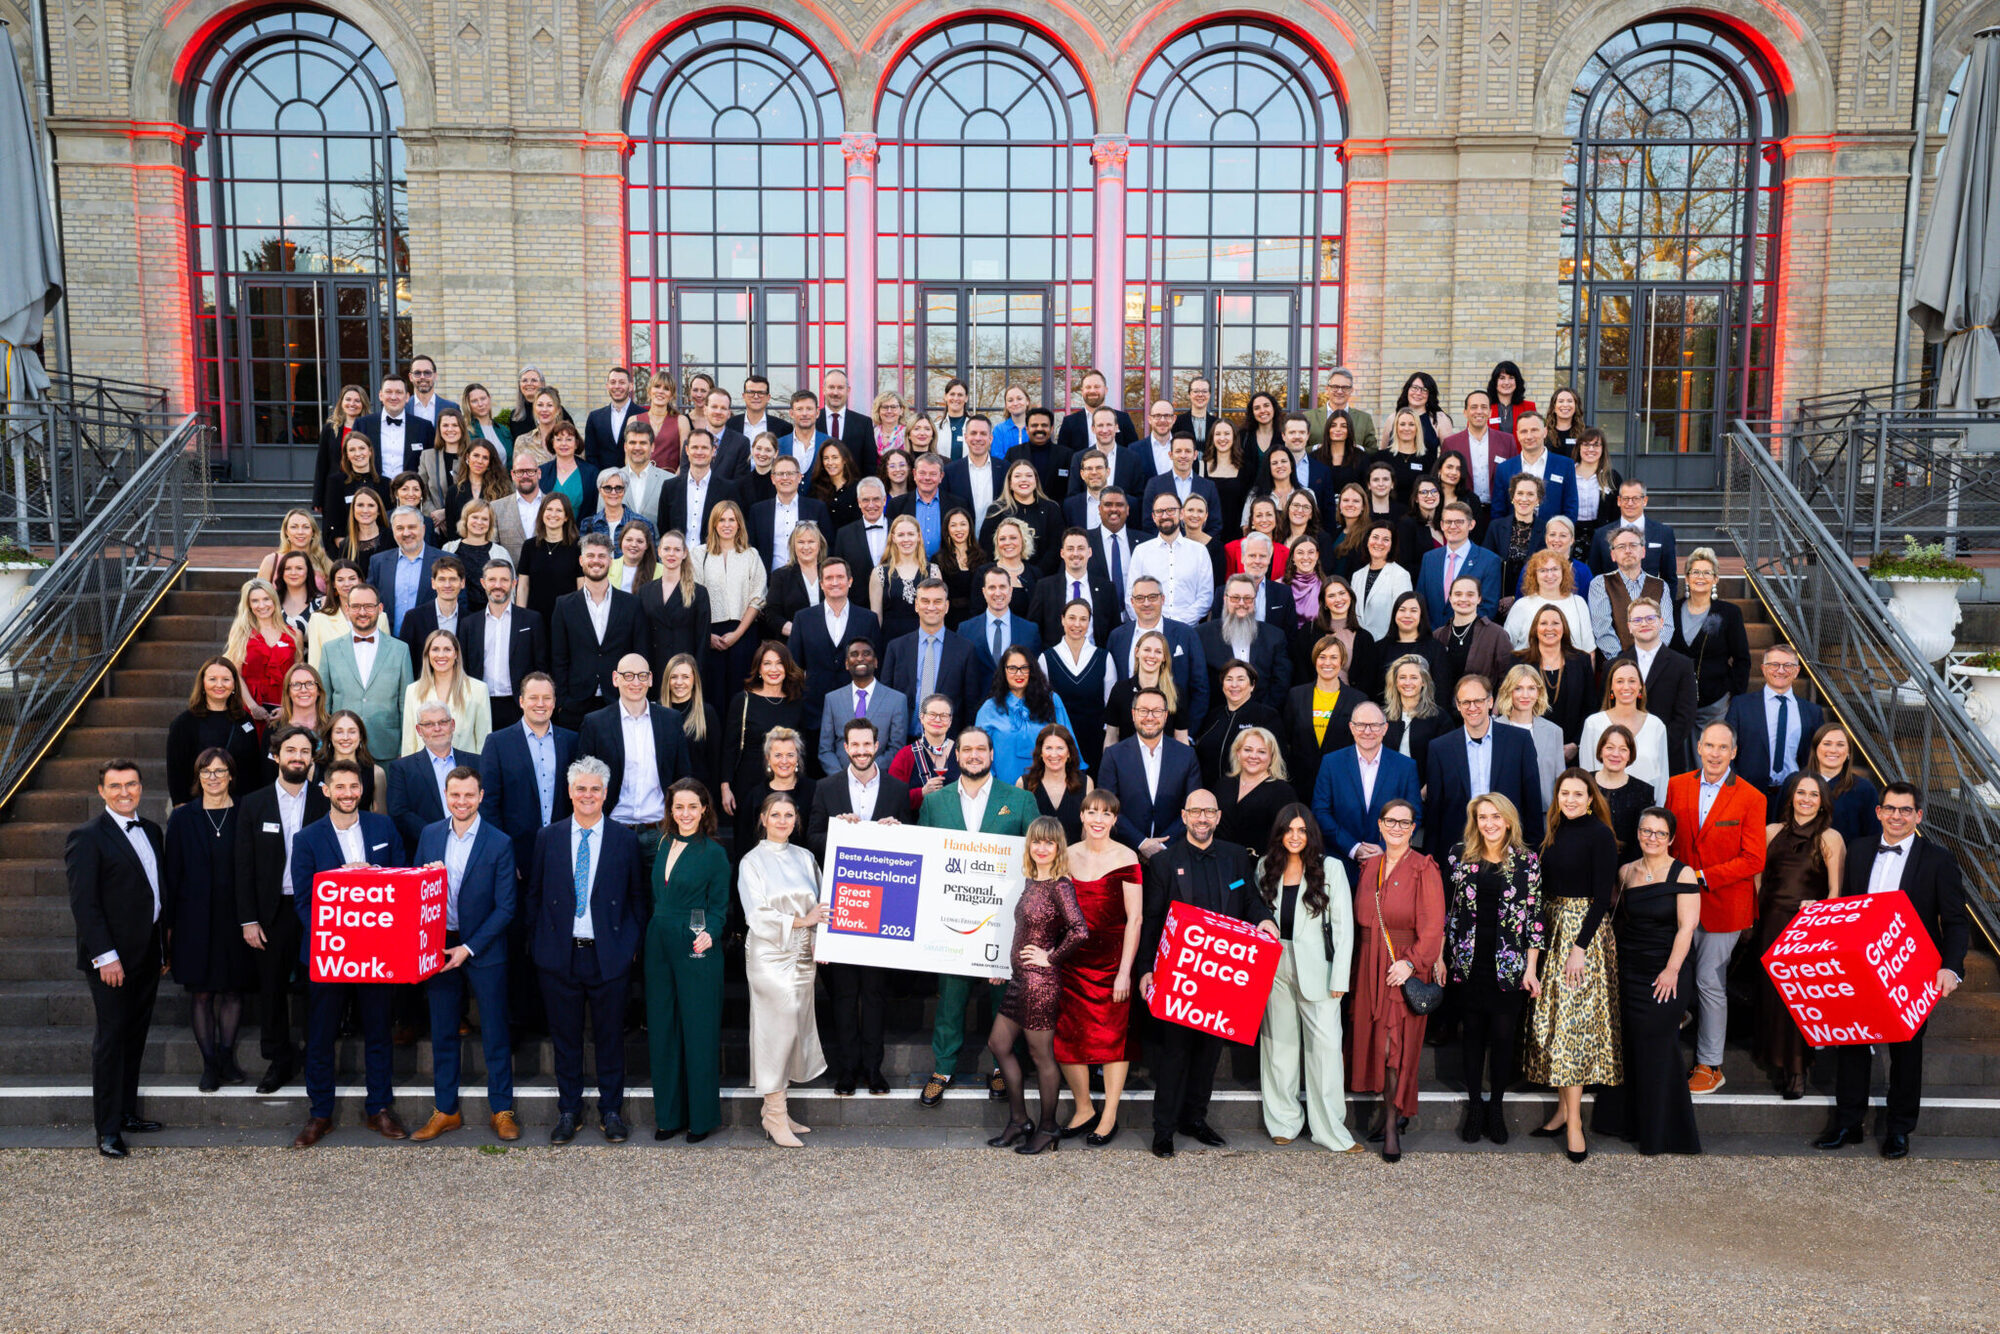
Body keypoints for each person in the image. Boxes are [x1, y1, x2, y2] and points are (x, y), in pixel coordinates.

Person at [1815, 782, 1969, 1158]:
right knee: (1851, 1044)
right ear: (1878, 812)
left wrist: (1951, 968)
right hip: (1860, 968)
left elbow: (1955, 921)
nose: (1896, 816)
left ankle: (1900, 1130)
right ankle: (1848, 1123)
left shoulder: (1938, 859)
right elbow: (1846, 908)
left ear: (1918, 816)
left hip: (1910, 970)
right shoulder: (1861, 849)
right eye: (1890, 808)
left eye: (1905, 810)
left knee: (1906, 1051)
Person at [1138, 789, 1273, 1157]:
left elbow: (1249, 901)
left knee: (1209, 1054)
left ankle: (1194, 1119)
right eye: (1195, 811)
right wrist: (1146, 969)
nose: (1202, 818)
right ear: (1183, 816)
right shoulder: (1165, 863)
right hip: (1177, 976)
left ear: (1217, 816)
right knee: (1174, 1054)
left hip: (1221, 977)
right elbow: (1151, 920)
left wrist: (1264, 920)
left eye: (1208, 812)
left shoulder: (1234, 857)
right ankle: (1163, 1129)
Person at [522, 757, 646, 1144]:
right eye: (581, 788)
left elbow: (637, 899)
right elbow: (535, 895)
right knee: (566, 1038)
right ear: (570, 792)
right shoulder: (549, 837)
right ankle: (569, 1111)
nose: (588, 795)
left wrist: (629, 947)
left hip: (607, 954)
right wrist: (539, 944)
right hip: (560, 955)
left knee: (610, 1037)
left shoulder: (625, 840)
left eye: (595, 789)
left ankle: (611, 1110)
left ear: (606, 793)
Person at [911, 728, 1034, 1105]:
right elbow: (923, 856)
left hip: (1005, 919)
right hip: (952, 921)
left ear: (992, 755)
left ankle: (1001, 1066)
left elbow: (1037, 855)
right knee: (950, 996)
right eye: (967, 750)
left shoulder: (1021, 800)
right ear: (957, 756)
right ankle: (943, 1067)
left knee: (1004, 996)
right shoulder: (936, 803)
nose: (975, 755)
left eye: (981, 749)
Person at [289, 761, 407, 1147]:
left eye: (354, 786)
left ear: (363, 789)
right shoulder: (307, 839)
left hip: (377, 954)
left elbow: (401, 883)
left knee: (378, 1032)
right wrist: (344, 890)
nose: (347, 793)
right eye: (339, 786)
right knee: (320, 1037)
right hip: (329, 954)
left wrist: (371, 879)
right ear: (325, 791)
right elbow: (304, 902)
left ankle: (379, 1109)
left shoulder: (383, 828)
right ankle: (320, 1113)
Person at [405, 766, 519, 1142]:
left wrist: (468, 949)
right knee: (442, 1032)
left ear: (481, 796)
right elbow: (417, 888)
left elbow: (506, 907)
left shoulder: (499, 841)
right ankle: (446, 1110)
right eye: (455, 795)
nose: (462, 802)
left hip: (482, 949)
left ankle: (502, 1110)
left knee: (496, 1033)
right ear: (446, 794)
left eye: (469, 795)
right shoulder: (430, 834)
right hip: (438, 946)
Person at [68, 760, 170, 1156]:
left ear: (141, 788)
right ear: (101, 791)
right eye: (115, 786)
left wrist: (162, 948)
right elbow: (85, 905)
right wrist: (105, 957)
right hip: (111, 960)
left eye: (131, 784)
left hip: (147, 954)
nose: (124, 792)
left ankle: (127, 1112)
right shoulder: (87, 837)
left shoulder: (152, 831)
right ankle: (107, 1130)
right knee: (111, 1041)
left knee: (135, 1037)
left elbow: (156, 895)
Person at [1521, 769, 1623, 1162]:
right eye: (1565, 793)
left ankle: (1576, 1124)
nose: (1571, 800)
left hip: (1584, 936)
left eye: (1578, 794)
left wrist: (1579, 947)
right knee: (1555, 1024)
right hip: (1550, 929)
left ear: (1591, 797)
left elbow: (1602, 899)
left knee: (1574, 1029)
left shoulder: (1599, 834)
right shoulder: (1551, 831)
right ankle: (1563, 1110)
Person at [1666, 720, 1768, 1095]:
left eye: (1722, 747)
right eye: (1709, 745)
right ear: (1699, 747)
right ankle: (1665, 1051)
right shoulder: (1676, 786)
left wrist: (1703, 876)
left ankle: (1710, 1064)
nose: (1714, 753)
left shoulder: (1752, 797)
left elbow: (1754, 858)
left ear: (1734, 752)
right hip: (1677, 903)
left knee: (1710, 981)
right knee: (1672, 974)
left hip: (1723, 905)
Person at [804, 718, 905, 1096]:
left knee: (875, 993)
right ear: (844, 747)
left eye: (868, 744)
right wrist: (837, 829)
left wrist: (898, 832)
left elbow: (913, 843)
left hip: (883, 905)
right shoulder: (826, 787)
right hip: (841, 904)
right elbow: (810, 836)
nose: (861, 751)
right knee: (845, 993)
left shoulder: (896, 789)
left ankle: (873, 1070)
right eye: (855, 745)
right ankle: (847, 1070)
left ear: (878, 744)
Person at [985, 819, 1091, 1156]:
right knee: (998, 1043)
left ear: (1059, 847)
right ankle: (1019, 1121)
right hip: (1020, 979)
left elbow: (1079, 930)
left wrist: (1052, 957)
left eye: (1049, 843)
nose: (1042, 848)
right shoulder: (1032, 881)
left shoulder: (1060, 886)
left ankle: (1047, 1127)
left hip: (1040, 983)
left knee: (1040, 1055)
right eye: (1036, 843)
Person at [1442, 794, 1542, 1145]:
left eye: (1496, 817)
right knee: (1472, 1037)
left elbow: (1534, 920)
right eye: (1483, 817)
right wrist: (1441, 957)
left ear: (1509, 821)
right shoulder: (1459, 856)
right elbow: (1448, 912)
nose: (1489, 824)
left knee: (1502, 1038)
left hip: (1509, 965)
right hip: (1469, 963)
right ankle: (1475, 1106)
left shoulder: (1527, 862)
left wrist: (1531, 969)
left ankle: (1496, 1107)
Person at [1347, 798, 1444, 1163]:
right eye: (1392, 821)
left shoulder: (1424, 867)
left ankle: (1391, 1125)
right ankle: (1392, 1113)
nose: (1398, 828)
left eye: (1405, 823)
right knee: (1377, 1043)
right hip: (1369, 964)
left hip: (1402, 966)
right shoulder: (1369, 866)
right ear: (1381, 825)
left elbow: (1434, 927)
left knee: (1393, 1046)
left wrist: (1413, 963)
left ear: (1413, 827)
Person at [1256, 804, 1357, 1151]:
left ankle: (1329, 1129)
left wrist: (1340, 977)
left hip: (1320, 968)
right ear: (1279, 833)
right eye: (1289, 830)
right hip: (1274, 964)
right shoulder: (1264, 867)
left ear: (1310, 834)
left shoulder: (1331, 868)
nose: (1295, 837)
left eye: (1302, 830)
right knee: (1278, 1047)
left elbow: (1343, 927)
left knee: (1326, 1051)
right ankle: (1283, 1120)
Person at [233, 726, 326, 1093]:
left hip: (316, 910)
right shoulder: (253, 804)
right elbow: (242, 866)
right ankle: (278, 1059)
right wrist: (248, 919)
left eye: (305, 751)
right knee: (271, 989)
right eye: (290, 750)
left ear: (312, 758)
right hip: (269, 913)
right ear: (275, 755)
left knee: (312, 987)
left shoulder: (324, 802)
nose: (298, 757)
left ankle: (313, 1055)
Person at [640, 778, 730, 1144]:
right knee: (663, 1029)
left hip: (696, 943)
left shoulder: (713, 852)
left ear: (705, 809)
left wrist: (711, 931)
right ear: (670, 810)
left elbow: (721, 907)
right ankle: (669, 1116)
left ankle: (701, 1119)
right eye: (679, 807)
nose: (686, 813)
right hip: (658, 941)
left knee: (698, 1030)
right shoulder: (660, 843)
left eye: (693, 806)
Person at [162, 750, 254, 1092]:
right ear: (198, 777)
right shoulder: (183, 818)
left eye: (220, 771)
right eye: (206, 771)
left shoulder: (247, 810)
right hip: (193, 919)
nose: (213, 777)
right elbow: (171, 874)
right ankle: (209, 1063)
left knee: (232, 989)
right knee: (201, 993)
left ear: (231, 774)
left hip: (236, 916)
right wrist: (168, 927)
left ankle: (227, 1057)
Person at [1754, 774, 1846, 1098]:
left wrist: (1820, 914)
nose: (1806, 799)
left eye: (1814, 795)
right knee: (1773, 996)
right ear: (1791, 796)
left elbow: (1836, 891)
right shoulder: (1770, 832)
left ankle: (1798, 1068)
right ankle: (1780, 1062)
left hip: (1807, 928)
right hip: (1771, 923)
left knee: (1800, 1000)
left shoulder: (1830, 838)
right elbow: (1758, 879)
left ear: (1823, 802)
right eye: (1801, 793)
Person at [576, 653, 692, 870]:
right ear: (615, 678)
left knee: (657, 901)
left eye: (641, 676)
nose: (635, 682)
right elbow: (583, 781)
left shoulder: (670, 720)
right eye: (628, 676)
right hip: (613, 829)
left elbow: (683, 777)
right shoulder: (595, 723)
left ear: (650, 679)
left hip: (660, 831)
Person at [1423, 673, 1546, 856]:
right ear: (1458, 705)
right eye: (1465, 702)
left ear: (1490, 702)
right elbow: (1435, 811)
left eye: (1478, 701)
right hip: (1458, 850)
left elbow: (1532, 801)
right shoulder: (1440, 748)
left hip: (1509, 847)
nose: (1472, 707)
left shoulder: (1519, 741)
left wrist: (1533, 853)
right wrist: (1431, 859)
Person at [1313, 701, 1424, 885]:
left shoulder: (1405, 767)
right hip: (1341, 864)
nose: (1367, 731)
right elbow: (1320, 811)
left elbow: (1414, 815)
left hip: (1390, 864)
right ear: (1351, 727)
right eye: (1361, 725)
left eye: (1374, 725)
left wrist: (1385, 847)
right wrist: (1353, 847)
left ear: (1385, 728)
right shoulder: (1332, 763)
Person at [1098, 687, 1203, 859]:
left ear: (1165, 716)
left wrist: (1162, 846)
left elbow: (1193, 807)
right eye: (1143, 711)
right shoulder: (1114, 755)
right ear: (1133, 714)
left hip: (1173, 855)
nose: (1150, 717)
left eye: (1156, 711)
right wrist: (1141, 842)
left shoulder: (1186, 755)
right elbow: (1106, 806)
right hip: (1125, 854)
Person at [691, 501, 767, 711]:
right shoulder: (699, 554)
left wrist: (738, 633)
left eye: (731, 520)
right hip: (709, 633)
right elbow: (694, 596)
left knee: (740, 694)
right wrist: (706, 636)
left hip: (743, 632)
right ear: (713, 524)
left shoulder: (751, 555)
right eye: (721, 520)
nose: (727, 524)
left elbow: (757, 598)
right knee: (712, 694)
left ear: (739, 524)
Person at [1611, 597, 1699, 774]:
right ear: (1629, 626)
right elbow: (1608, 709)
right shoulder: (1613, 666)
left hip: (1666, 758)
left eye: (1650, 618)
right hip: (1621, 759)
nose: (1644, 624)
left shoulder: (1682, 665)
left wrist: (1656, 747)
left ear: (1661, 622)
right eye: (1637, 620)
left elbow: (1685, 716)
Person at [1725, 642, 1823, 797]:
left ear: (1797, 671)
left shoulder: (1812, 712)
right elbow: (1726, 748)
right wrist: (1734, 787)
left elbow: (1817, 758)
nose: (1781, 670)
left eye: (1788, 665)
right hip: (1747, 793)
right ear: (1763, 669)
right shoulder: (1740, 706)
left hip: (1794, 797)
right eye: (1774, 665)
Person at [166, 658, 264, 805]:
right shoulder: (184, 723)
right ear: (203, 684)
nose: (219, 685)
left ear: (234, 685)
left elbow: (253, 768)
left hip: (238, 808)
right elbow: (176, 770)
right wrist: (180, 805)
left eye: (226, 679)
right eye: (213, 679)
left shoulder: (245, 720)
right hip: (197, 807)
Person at [1671, 548, 1750, 730]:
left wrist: (1734, 694)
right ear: (1687, 577)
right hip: (1676, 702)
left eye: (1707, 573)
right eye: (1696, 572)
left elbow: (1742, 659)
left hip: (1716, 704)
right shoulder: (1670, 610)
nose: (1701, 577)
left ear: (1715, 579)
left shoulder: (1729, 613)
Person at [1580, 660, 1671, 803]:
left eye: (1632, 681)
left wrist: (1657, 813)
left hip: (1644, 809)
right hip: (1602, 807)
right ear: (1611, 687)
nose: (1626, 687)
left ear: (1641, 687)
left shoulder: (1656, 726)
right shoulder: (1593, 724)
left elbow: (1662, 777)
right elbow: (1585, 774)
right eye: (1620, 681)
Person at [1129, 492, 1215, 627]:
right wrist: (1153, 624)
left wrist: (1177, 625)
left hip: (1188, 630)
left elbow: (1205, 597)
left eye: (1170, 510)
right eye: (1159, 511)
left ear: (1181, 514)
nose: (1165, 516)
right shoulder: (1141, 551)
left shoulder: (1199, 551)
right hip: (1150, 632)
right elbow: (1131, 596)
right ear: (1153, 517)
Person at [1586, 478, 1680, 600]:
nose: (1630, 503)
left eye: (1635, 499)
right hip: (1611, 608)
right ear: (1619, 501)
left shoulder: (1663, 533)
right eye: (1626, 499)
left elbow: (1670, 579)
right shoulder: (1601, 535)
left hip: (1650, 610)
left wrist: (1663, 611)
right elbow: (1595, 577)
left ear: (1644, 501)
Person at [1283, 635, 1356, 790]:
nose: (1327, 663)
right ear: (1315, 660)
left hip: (1340, 782)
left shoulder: (1357, 699)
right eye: (1322, 657)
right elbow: (1286, 740)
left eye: (1333, 657)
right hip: (1300, 782)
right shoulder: (1296, 695)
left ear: (1342, 661)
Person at [224, 578, 299, 728]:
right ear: (249, 605)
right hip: (249, 708)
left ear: (274, 601)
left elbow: (297, 675)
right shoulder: (240, 634)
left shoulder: (294, 635)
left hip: (284, 710)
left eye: (266, 599)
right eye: (255, 601)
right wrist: (253, 707)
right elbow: (235, 673)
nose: (262, 605)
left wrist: (288, 707)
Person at [1520, 603, 1594, 754]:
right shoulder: (1518, 661)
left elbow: (1590, 707)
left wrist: (1576, 744)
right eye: (1543, 623)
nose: (1549, 628)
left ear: (1564, 627)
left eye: (1555, 623)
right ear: (1535, 628)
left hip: (1571, 751)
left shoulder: (1581, 661)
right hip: (1528, 749)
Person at [1433, 574, 1513, 705]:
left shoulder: (1497, 634)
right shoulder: (1438, 635)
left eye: (1470, 595)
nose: (1463, 599)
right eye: (1458, 594)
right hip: (1444, 715)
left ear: (1479, 599)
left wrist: (1497, 708)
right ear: (1450, 597)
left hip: (1480, 713)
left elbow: (1508, 677)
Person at [1586, 527, 1666, 658]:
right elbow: (1602, 628)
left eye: (1633, 545)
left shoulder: (1661, 585)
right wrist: (1622, 661)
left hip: (1655, 663)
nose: (1628, 551)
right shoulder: (1600, 584)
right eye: (1621, 546)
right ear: (1613, 555)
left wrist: (1651, 657)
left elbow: (1666, 627)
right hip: (1616, 665)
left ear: (1643, 552)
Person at [1417, 502, 1501, 626]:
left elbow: (1488, 607)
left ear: (1471, 525)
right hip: (1431, 637)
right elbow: (1421, 600)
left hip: (1468, 638)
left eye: (1459, 522)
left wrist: (1459, 633)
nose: (1453, 526)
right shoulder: (1429, 558)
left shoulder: (1489, 560)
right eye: (1448, 522)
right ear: (1442, 525)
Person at [1214, 725, 1296, 850]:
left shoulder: (1283, 792)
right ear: (1238, 753)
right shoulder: (1223, 785)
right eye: (1247, 750)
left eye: (1262, 752)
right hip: (1220, 861)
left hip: (1261, 865)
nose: (1253, 756)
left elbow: (1286, 836)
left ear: (1272, 757)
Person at [1496, 663, 1565, 807]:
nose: (1525, 695)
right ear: (1508, 691)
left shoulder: (1554, 732)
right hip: (1503, 815)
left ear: (1539, 692)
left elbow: (1560, 780)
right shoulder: (1494, 730)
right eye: (1518, 688)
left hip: (1544, 815)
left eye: (1531, 688)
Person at [1504, 549, 1592, 652]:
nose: (1550, 575)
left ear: (1563, 572)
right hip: (1529, 666)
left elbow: (1589, 650)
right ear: (1534, 575)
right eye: (1543, 570)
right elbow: (1506, 647)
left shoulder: (1578, 603)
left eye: (1555, 569)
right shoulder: (1521, 605)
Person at [1808, 722, 1882, 844]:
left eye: (1840, 745)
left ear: (1848, 752)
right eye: (1827, 744)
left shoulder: (1864, 790)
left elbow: (1873, 838)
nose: (1833, 750)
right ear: (1816, 748)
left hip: (1845, 861)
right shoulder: (1795, 783)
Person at [1592, 725, 1653, 860]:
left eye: (1623, 749)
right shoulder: (1583, 784)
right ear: (1600, 751)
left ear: (1630, 755)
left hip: (1628, 869)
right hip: (1585, 864)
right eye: (1609, 747)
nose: (1615, 754)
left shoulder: (1644, 791)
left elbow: (1643, 839)